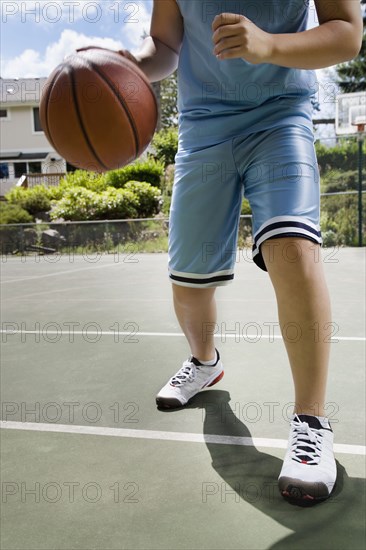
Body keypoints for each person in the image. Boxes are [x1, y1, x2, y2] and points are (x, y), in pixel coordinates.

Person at [123, 0, 363, 501]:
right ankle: (205, 362)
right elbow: (166, 44)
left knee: (291, 249)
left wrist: (269, 46)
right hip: (203, 130)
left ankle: (311, 423)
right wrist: (130, 65)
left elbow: (346, 33)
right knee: (189, 287)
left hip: (280, 118)